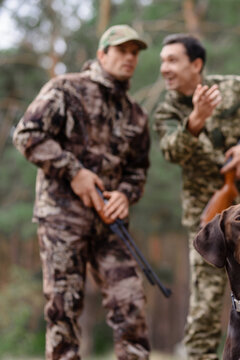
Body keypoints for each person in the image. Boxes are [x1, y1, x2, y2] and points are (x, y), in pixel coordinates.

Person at [12, 24, 151, 359]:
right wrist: (74, 172)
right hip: (63, 220)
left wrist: (125, 195)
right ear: (102, 54)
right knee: (64, 309)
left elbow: (138, 169)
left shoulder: (136, 114)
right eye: (121, 50)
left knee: (130, 302)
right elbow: (27, 135)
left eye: (134, 52)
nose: (129, 58)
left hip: (110, 226)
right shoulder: (66, 89)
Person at [153, 33, 240, 360]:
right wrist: (195, 120)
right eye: (162, 62)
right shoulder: (167, 110)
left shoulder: (235, 88)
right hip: (210, 223)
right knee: (203, 311)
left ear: (196, 64)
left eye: (172, 60)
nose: (164, 69)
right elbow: (171, 152)